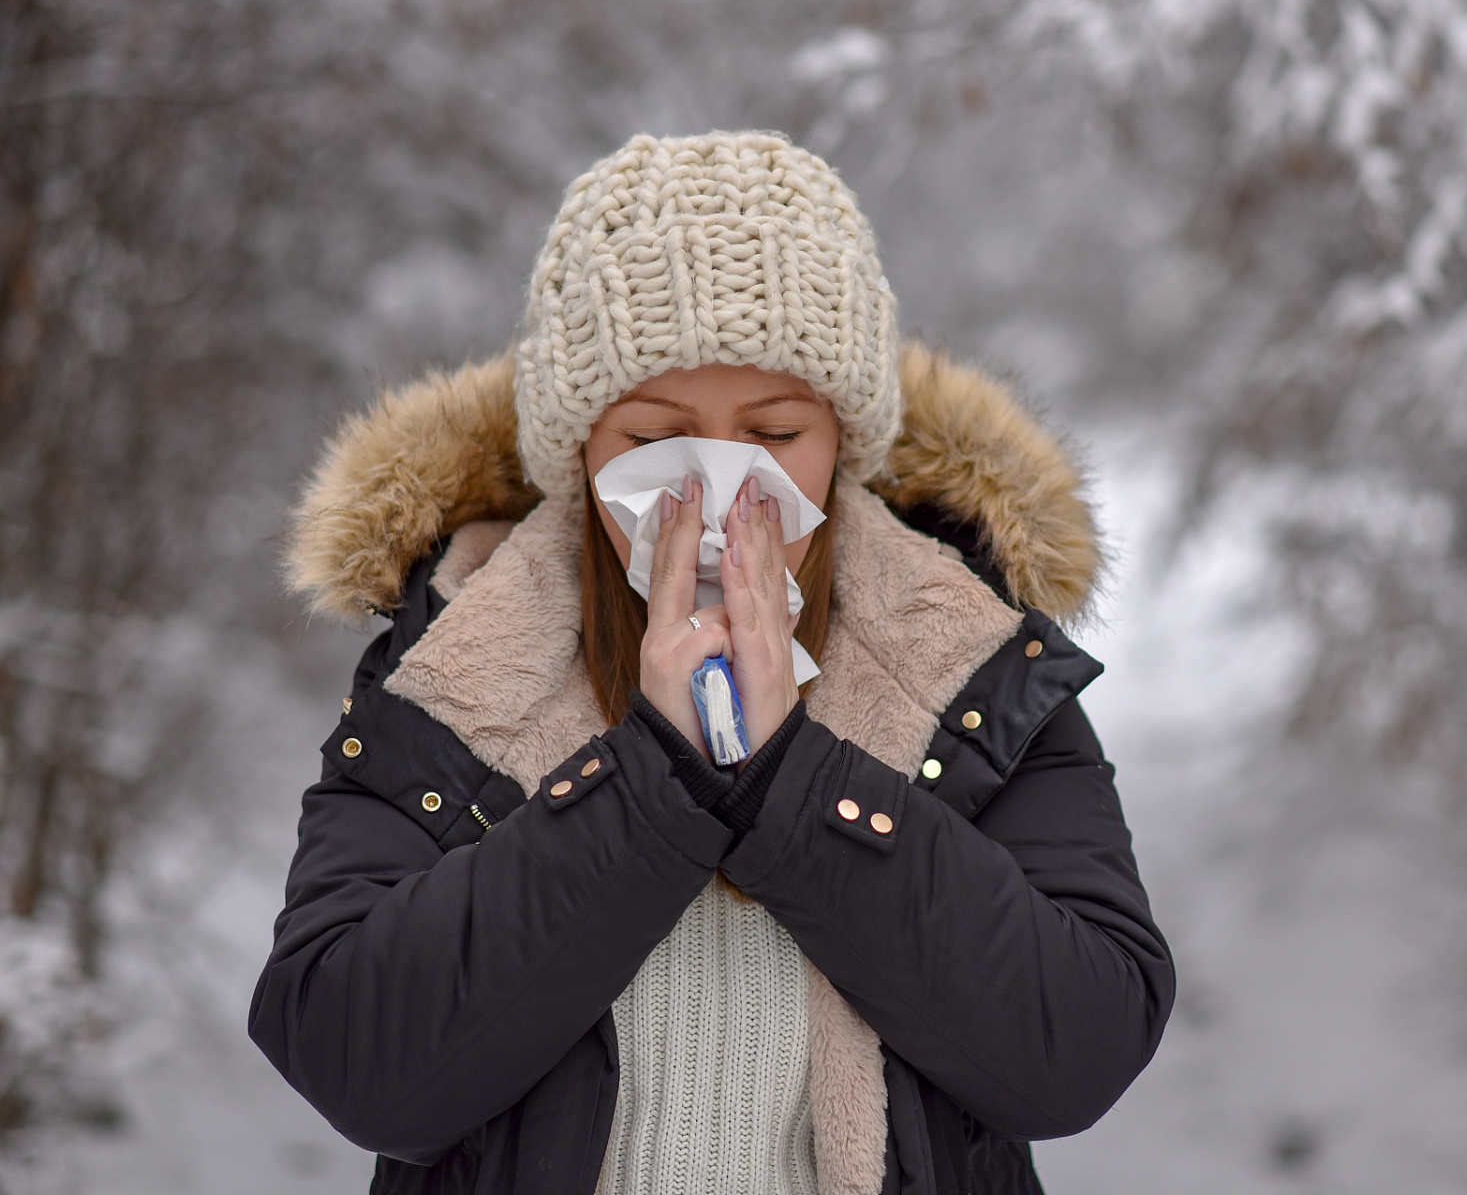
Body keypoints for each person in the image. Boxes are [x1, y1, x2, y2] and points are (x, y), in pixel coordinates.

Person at [250, 131, 1174, 1195]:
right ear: (580, 444)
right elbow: (356, 1059)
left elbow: (1077, 1048)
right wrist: (648, 783)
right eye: (657, 434)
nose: (721, 482)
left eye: (775, 430)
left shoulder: (965, 659)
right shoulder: (455, 658)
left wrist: (795, 776)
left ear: (843, 438)